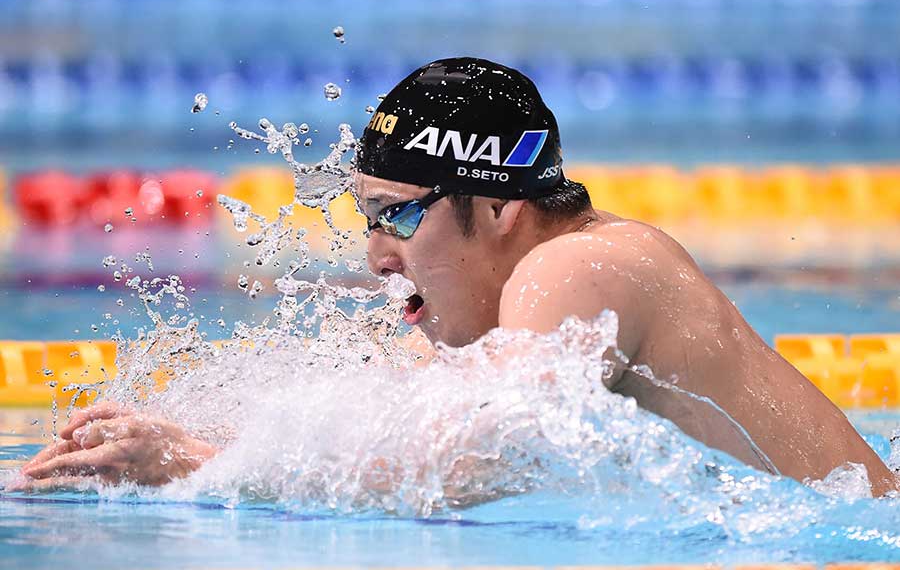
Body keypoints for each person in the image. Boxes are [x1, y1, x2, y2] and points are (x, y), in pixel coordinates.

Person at [12, 57, 897, 497]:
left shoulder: (574, 267)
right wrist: (184, 429)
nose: (376, 255)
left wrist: (198, 467)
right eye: (368, 217)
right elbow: (374, 417)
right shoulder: (555, 277)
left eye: (399, 214)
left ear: (501, 206)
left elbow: (483, 453)